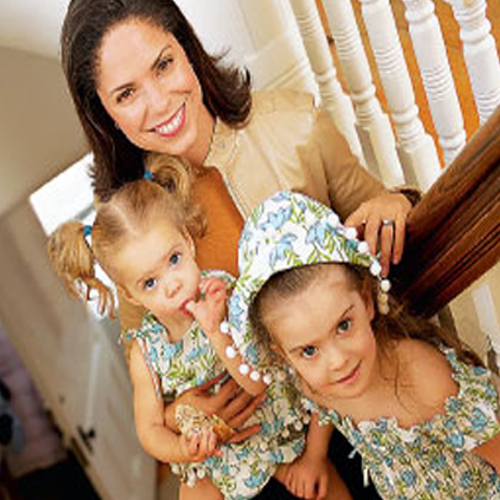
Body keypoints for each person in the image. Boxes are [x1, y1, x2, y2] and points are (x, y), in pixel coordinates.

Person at [60, 0, 418, 495]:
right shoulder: (126, 225)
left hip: (351, 410)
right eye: (126, 93)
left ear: (187, 50)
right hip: (248, 457)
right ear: (104, 113)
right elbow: (153, 373)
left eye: (163, 65)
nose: (159, 102)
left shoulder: (294, 125)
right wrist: (183, 413)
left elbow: (381, 216)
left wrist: (398, 201)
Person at [47, 168, 353, 500]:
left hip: (278, 429)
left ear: (188, 242)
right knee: (193, 491)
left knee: (323, 484)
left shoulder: (226, 295)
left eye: (174, 259)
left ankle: (308, 463)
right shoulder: (146, 351)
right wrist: (182, 449)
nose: (172, 285)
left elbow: (257, 383)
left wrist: (215, 330)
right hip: (215, 453)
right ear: (131, 296)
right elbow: (149, 429)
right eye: (150, 283)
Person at [226, 190, 500, 500]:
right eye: (309, 351)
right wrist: (315, 455)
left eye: (343, 326)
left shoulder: (420, 379)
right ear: (284, 356)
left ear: (367, 301)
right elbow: (314, 406)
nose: (337, 361)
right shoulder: (313, 384)